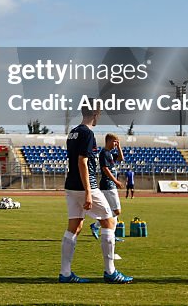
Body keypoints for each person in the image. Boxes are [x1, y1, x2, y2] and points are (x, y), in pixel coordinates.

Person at [58, 106, 133, 285]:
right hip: (86, 186)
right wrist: (89, 194)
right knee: (109, 221)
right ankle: (110, 272)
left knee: (74, 227)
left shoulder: (73, 133)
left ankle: (65, 273)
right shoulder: (88, 134)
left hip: (71, 186)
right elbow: (82, 162)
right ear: (95, 114)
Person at [90, 133, 124, 260]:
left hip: (110, 185)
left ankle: (102, 228)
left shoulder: (110, 153)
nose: (116, 144)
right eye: (115, 142)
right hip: (108, 185)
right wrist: (115, 181)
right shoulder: (104, 153)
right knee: (116, 211)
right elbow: (105, 169)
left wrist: (119, 146)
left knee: (110, 211)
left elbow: (121, 158)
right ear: (109, 141)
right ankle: (100, 227)